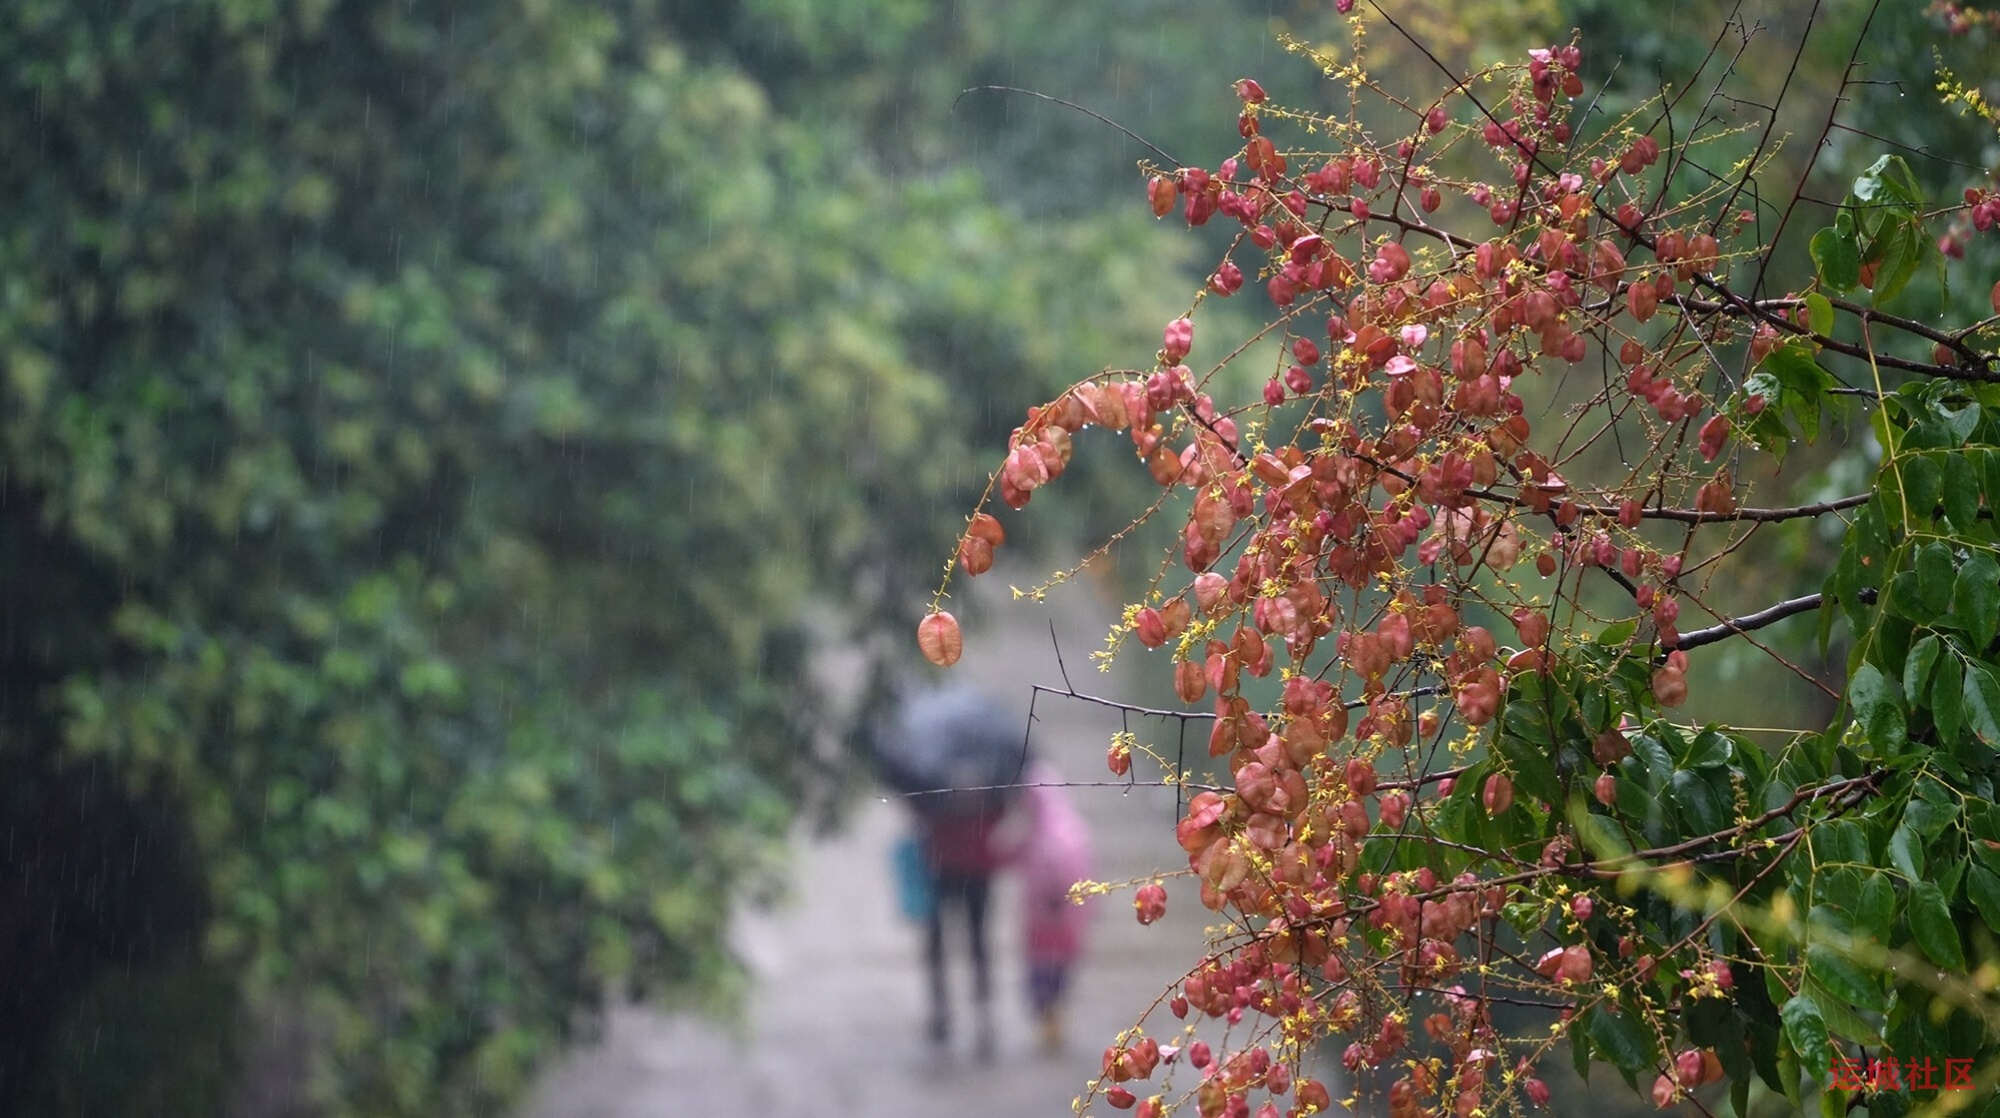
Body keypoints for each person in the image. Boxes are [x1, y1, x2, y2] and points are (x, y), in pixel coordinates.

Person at [913, 758, 1013, 1061]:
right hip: (951, 871)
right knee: (949, 942)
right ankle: (946, 1008)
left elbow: (920, 815)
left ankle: (971, 1011)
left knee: (974, 942)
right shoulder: (986, 786)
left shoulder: (933, 781)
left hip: (960, 872)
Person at [1014, 759, 1093, 1054]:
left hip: (1046, 918)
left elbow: (1056, 869)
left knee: (1043, 974)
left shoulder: (1049, 833)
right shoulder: (1070, 828)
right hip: (1065, 921)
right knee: (1056, 972)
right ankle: (1052, 1021)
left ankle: (1049, 1022)